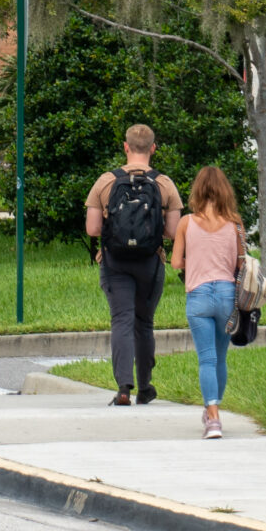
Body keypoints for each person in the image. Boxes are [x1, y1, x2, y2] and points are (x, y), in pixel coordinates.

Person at [82, 123, 184, 406]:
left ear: (126, 147)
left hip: (114, 262)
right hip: (150, 264)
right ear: (153, 149)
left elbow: (92, 228)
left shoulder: (106, 182)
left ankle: (124, 387)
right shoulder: (164, 184)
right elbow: (174, 233)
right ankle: (146, 385)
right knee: (144, 323)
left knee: (121, 321)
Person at [170, 165, 246, 439]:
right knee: (220, 358)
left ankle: (212, 417)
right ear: (225, 191)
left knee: (206, 359)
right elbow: (241, 263)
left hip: (199, 296)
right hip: (227, 296)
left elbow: (176, 261)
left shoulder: (186, 223)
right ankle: (213, 410)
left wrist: (197, 261)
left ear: (197, 191)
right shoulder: (235, 222)